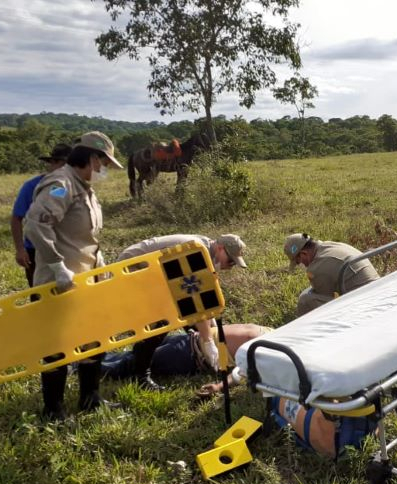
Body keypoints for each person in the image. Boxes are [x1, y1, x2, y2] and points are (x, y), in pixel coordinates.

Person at [24, 131, 123, 421]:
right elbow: (35, 225)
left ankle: (90, 399)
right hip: (60, 282)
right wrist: (56, 265)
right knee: (57, 345)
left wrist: (100, 269)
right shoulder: (61, 184)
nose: (105, 169)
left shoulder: (84, 188)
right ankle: (53, 410)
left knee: (94, 339)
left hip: (85, 280)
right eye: (104, 163)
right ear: (92, 158)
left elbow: (87, 239)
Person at [115, 233, 248, 391]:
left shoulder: (206, 253)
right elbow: (193, 300)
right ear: (219, 248)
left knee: (185, 314)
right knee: (164, 318)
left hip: (154, 272)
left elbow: (204, 305)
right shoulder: (195, 252)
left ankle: (141, 358)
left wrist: (213, 332)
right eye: (230, 260)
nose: (231, 265)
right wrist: (207, 341)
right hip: (132, 269)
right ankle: (140, 375)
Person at [101, 323, 269, 397]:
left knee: (128, 365)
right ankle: (89, 360)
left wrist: (218, 386)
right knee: (136, 355)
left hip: (189, 356)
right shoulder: (276, 333)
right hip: (189, 338)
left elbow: (242, 372)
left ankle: (81, 367)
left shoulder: (269, 355)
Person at [10, 143, 72, 287]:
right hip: (36, 248)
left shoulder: (70, 185)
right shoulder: (33, 186)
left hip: (63, 248)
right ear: (53, 163)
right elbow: (17, 218)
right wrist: (20, 250)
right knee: (39, 294)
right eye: (65, 165)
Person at [283, 233, 380, 316]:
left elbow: (328, 298)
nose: (301, 265)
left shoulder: (317, 268)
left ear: (304, 254)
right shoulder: (330, 245)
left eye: (298, 262)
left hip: (365, 304)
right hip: (380, 289)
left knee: (305, 300)